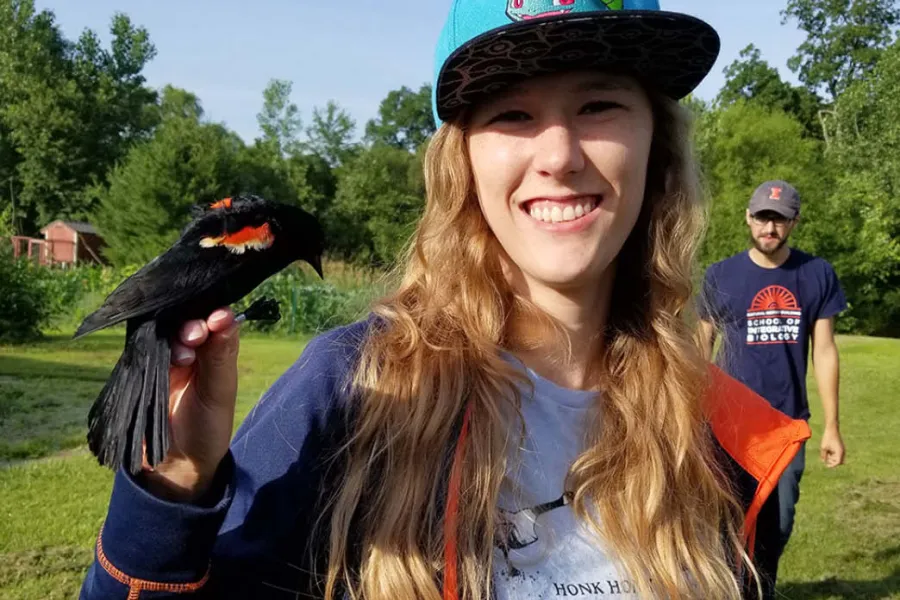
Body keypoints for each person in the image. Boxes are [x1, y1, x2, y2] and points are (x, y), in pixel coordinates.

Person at [79, 2, 810, 599]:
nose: (558, 155)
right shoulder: (354, 390)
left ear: (656, 147)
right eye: (511, 115)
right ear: (460, 162)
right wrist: (170, 494)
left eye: (598, 104)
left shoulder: (723, 433)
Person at [697, 179, 847, 592]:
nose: (770, 227)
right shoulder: (721, 275)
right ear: (748, 217)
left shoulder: (815, 274)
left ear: (794, 222)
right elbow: (699, 347)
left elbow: (826, 351)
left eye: (779, 220)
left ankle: (756, 587)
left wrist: (832, 425)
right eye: (763, 217)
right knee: (728, 521)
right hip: (730, 423)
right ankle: (734, 589)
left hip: (785, 424)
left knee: (776, 525)